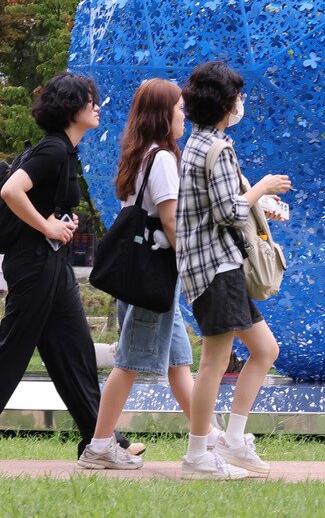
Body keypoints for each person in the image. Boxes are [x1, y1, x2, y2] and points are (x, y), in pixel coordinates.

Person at [0, 72, 139, 462]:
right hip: (35, 265)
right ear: (70, 109)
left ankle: (101, 439)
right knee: (12, 350)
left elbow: (41, 201)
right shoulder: (52, 150)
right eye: (88, 100)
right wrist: (47, 225)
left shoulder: (64, 152)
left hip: (50, 261)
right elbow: (13, 191)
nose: (96, 107)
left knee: (75, 351)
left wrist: (59, 221)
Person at [176, 61, 292, 481]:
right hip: (216, 268)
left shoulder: (196, 143)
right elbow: (228, 211)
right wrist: (261, 187)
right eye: (238, 97)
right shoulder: (218, 149)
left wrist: (257, 202)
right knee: (213, 362)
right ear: (225, 103)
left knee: (265, 351)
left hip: (212, 266)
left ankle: (233, 440)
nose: (242, 103)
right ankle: (197, 455)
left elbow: (218, 204)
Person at [78, 79, 194, 471]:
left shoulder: (140, 154)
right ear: (164, 114)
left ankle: (207, 439)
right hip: (153, 279)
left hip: (145, 277)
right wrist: (195, 265)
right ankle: (98, 447)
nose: (184, 115)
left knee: (179, 365)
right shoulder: (161, 158)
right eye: (179, 108)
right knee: (129, 362)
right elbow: (171, 220)